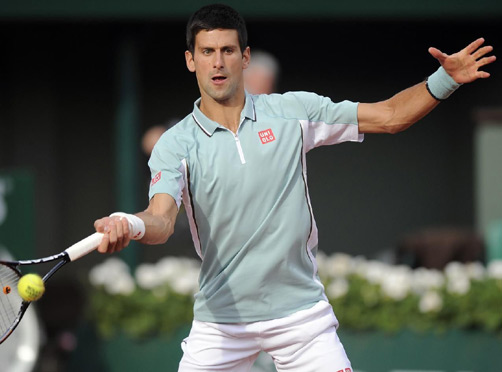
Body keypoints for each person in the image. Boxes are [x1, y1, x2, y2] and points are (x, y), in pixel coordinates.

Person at [93, 4, 495, 371]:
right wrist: (132, 223)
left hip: (301, 317)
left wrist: (446, 79)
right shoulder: (175, 143)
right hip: (221, 324)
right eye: (207, 51)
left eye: (228, 51)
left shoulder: (292, 112)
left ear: (245, 58)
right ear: (190, 60)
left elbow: (390, 116)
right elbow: (161, 219)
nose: (218, 63)